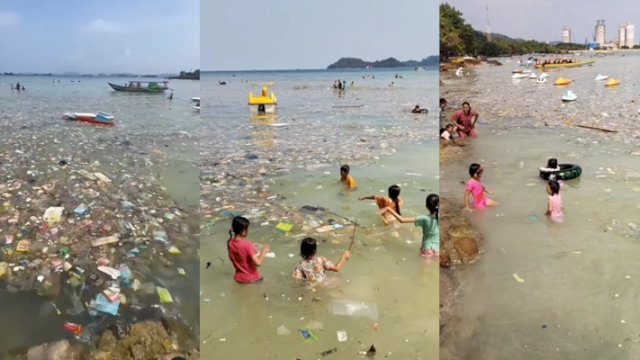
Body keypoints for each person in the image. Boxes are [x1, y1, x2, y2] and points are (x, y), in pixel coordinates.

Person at [387, 194, 439, 258]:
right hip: (437, 249)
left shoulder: (424, 218)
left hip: (427, 248)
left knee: (424, 267)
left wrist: (390, 210)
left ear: (427, 206)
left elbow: (402, 220)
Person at [227, 216, 270, 283]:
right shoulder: (247, 245)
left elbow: (240, 255)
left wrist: (251, 247)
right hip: (253, 279)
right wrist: (263, 251)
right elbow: (258, 263)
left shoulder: (230, 243)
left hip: (238, 278)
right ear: (244, 231)